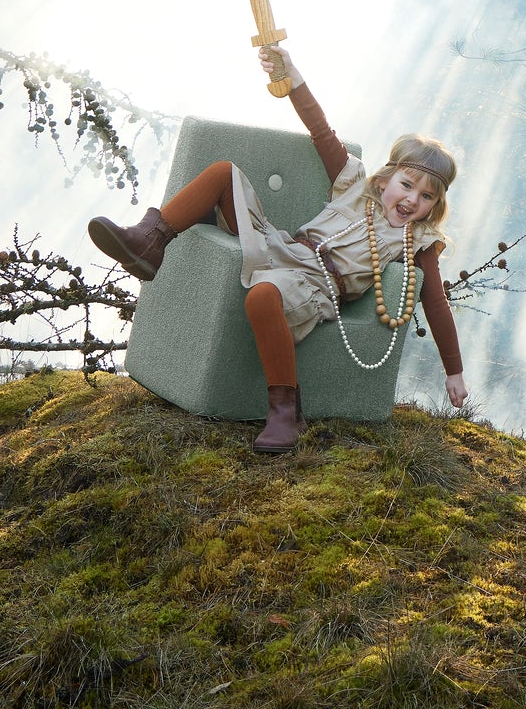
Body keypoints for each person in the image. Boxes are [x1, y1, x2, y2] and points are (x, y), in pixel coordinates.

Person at [87, 46, 468, 452]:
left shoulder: (418, 239)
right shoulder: (354, 183)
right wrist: (292, 75)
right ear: (385, 180)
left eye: (427, 197)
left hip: (317, 286)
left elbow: (436, 303)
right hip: (282, 246)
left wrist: (454, 372)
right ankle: (149, 242)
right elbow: (321, 130)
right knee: (223, 173)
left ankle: (286, 412)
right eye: (407, 185)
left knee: (264, 296)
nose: (412, 200)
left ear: (435, 206)